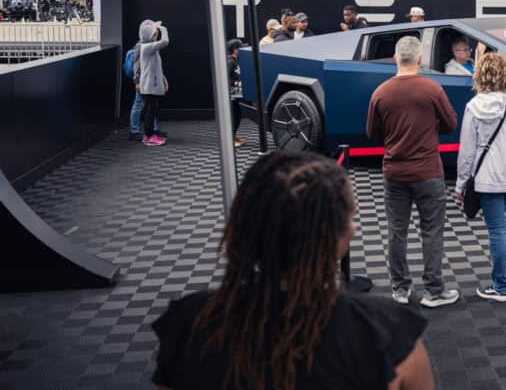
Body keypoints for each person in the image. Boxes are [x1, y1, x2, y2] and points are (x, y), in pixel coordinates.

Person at [151, 151, 434, 390]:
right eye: (351, 217)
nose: (355, 227)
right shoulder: (386, 334)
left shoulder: (190, 323)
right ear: (340, 236)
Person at [366, 36, 459, 308]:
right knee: (432, 231)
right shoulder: (432, 89)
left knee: (397, 231)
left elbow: (372, 133)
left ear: (396, 59)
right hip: (429, 171)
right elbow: (451, 124)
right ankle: (433, 291)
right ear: (420, 60)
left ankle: (400, 289)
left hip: (394, 171)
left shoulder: (380, 93)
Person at [454, 53, 506, 302]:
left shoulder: (473, 107)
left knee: (497, 232)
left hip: (487, 180)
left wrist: (460, 185)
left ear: (479, 75)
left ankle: (501, 287)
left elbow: (467, 152)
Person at [126, 20, 162, 141]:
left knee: (152, 106)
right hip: (143, 81)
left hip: (149, 81)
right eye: (154, 33)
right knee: (139, 104)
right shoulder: (140, 46)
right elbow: (137, 66)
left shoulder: (151, 45)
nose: (155, 35)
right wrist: (137, 82)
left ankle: (153, 130)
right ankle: (134, 131)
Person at [137, 21, 170, 146]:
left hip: (151, 86)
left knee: (151, 111)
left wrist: (164, 81)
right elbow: (165, 42)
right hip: (149, 87)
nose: (156, 36)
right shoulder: (146, 47)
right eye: (154, 34)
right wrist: (163, 28)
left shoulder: (150, 48)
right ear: (148, 35)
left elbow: (158, 69)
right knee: (150, 111)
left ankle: (149, 136)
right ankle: (149, 137)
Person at [227, 39, 244, 148]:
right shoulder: (230, 61)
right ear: (235, 50)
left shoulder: (236, 60)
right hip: (231, 94)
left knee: (238, 115)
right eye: (240, 48)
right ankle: (230, 139)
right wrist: (237, 83)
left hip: (236, 94)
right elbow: (226, 78)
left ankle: (233, 136)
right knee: (235, 116)